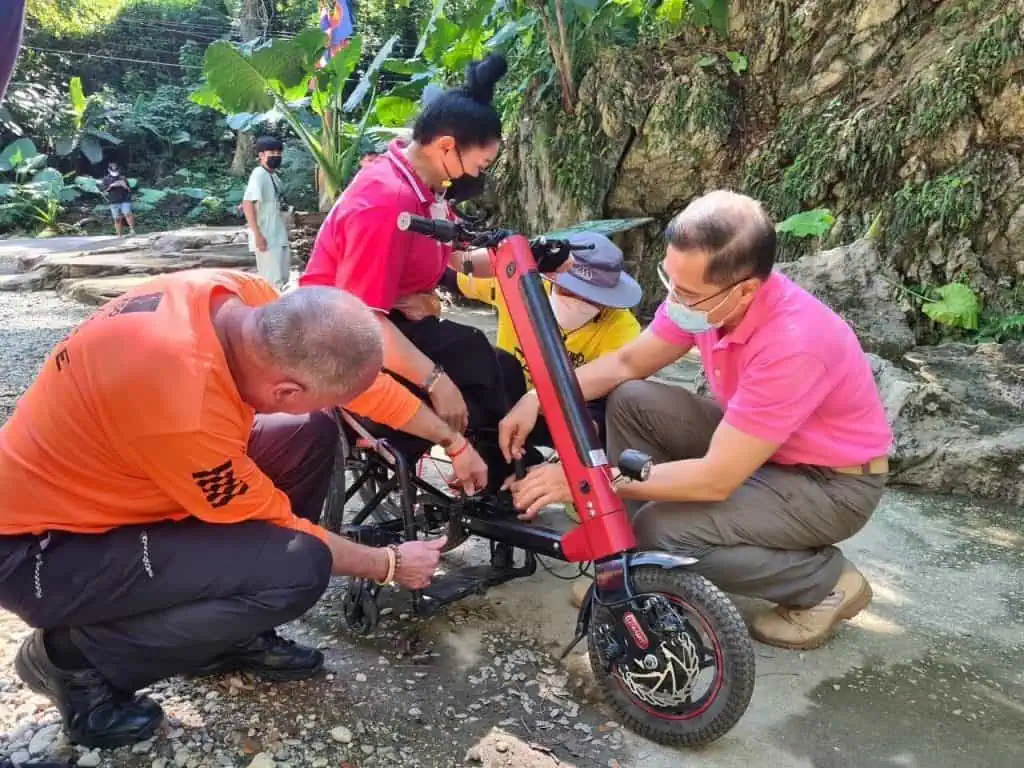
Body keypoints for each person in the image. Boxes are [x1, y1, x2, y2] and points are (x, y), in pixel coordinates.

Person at [0, 268, 466, 749]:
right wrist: (388, 565)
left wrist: (451, 439)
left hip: (122, 488)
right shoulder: (184, 411)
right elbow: (278, 526)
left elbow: (355, 381)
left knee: (306, 433)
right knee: (299, 567)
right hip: (38, 551)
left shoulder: (239, 297)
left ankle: (224, 636)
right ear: (285, 390)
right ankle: (71, 661)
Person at [500, 190, 894, 651]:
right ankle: (623, 569)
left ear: (745, 288)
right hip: (765, 452)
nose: (675, 301)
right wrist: (537, 398)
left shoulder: (794, 342)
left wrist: (587, 480)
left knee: (661, 528)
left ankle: (823, 581)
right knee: (632, 399)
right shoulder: (711, 303)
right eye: (672, 283)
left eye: (687, 293)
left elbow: (714, 480)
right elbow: (627, 363)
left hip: (828, 486)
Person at [301, 53, 567, 493]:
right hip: (338, 342)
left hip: (388, 324)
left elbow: (456, 259)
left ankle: (510, 464)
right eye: (479, 166)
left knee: (505, 368)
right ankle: (498, 478)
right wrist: (435, 381)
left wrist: (534, 259)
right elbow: (361, 320)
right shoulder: (386, 201)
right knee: (473, 353)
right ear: (446, 147)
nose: (479, 176)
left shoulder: (425, 191)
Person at [442, 231, 642, 448]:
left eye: (590, 298)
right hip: (507, 404)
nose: (576, 301)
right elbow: (456, 273)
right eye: (569, 291)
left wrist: (560, 467)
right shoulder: (520, 285)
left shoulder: (622, 328)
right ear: (554, 277)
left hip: (573, 416)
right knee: (492, 359)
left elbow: (603, 405)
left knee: (616, 403)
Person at [242, 136, 291, 290]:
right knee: (272, 283)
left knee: (282, 279)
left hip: (278, 235)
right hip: (267, 236)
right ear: (261, 155)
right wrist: (257, 235)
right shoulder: (259, 174)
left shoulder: (273, 176)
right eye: (272, 152)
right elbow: (247, 203)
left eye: (278, 152)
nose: (276, 155)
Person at [102, 161, 135, 236]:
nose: (115, 172)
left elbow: (129, 190)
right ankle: (119, 235)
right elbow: (104, 191)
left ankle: (132, 231)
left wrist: (124, 185)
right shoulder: (106, 179)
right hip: (113, 201)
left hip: (125, 199)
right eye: (113, 170)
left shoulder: (122, 177)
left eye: (116, 170)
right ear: (109, 170)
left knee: (127, 214)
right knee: (117, 218)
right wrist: (111, 186)